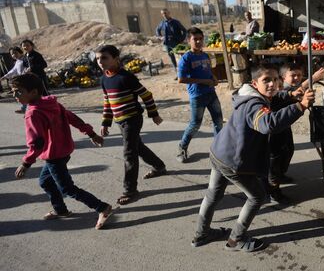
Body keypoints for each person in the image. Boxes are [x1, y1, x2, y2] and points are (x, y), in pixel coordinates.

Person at [192, 63, 315, 252]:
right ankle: (236, 239)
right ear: (255, 83)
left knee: (212, 195)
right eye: (266, 80)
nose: (272, 84)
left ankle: (202, 234)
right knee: (257, 196)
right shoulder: (254, 104)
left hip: (219, 152)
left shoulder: (249, 94)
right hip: (233, 160)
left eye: (275, 80)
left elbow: (274, 98)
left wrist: (290, 95)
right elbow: (268, 123)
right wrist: (300, 106)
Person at [11, 73, 113, 230]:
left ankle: (102, 208)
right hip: (63, 151)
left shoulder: (33, 113)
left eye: (19, 91)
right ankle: (60, 210)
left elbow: (37, 143)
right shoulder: (51, 104)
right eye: (13, 91)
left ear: (33, 92)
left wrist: (26, 163)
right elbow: (72, 117)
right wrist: (91, 134)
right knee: (45, 181)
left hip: (54, 155)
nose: (15, 95)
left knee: (68, 189)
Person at [95, 45, 167, 205]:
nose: (100, 61)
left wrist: (153, 114)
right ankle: (159, 166)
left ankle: (130, 190)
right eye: (98, 59)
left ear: (116, 59)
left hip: (133, 119)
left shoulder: (126, 77)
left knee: (129, 153)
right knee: (137, 146)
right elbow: (107, 102)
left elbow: (146, 95)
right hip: (120, 121)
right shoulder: (104, 79)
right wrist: (105, 122)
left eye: (104, 58)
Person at [266, 63, 324, 203]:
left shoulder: (290, 88)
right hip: (274, 131)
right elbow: (289, 93)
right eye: (293, 75)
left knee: (288, 151)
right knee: (275, 159)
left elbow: (296, 91)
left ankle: (280, 175)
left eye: (299, 75)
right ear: (282, 78)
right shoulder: (279, 89)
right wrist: (313, 78)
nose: (296, 78)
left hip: (285, 128)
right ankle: (273, 191)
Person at [176, 27, 223, 163]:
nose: (198, 42)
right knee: (195, 124)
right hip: (197, 96)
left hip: (211, 94)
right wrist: (204, 81)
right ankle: (182, 147)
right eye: (195, 39)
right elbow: (181, 79)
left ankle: (219, 150)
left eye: (200, 39)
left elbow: (208, 71)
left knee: (218, 122)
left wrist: (214, 79)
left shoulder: (205, 55)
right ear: (188, 40)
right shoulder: (186, 58)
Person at [156, 8, 187, 79]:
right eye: (163, 14)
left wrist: (181, 39)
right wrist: (160, 37)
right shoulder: (162, 23)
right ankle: (177, 74)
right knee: (172, 59)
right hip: (167, 44)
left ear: (169, 13)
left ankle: (183, 74)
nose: (164, 15)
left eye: (165, 13)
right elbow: (157, 30)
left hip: (176, 44)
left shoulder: (176, 22)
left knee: (179, 59)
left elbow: (184, 30)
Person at [1, 47, 28, 113]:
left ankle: (28, 110)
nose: (14, 55)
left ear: (20, 52)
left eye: (15, 53)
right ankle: (24, 109)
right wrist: (4, 77)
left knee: (26, 95)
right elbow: (13, 71)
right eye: (12, 54)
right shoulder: (17, 61)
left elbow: (28, 69)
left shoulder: (25, 59)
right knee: (21, 95)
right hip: (21, 81)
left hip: (28, 80)